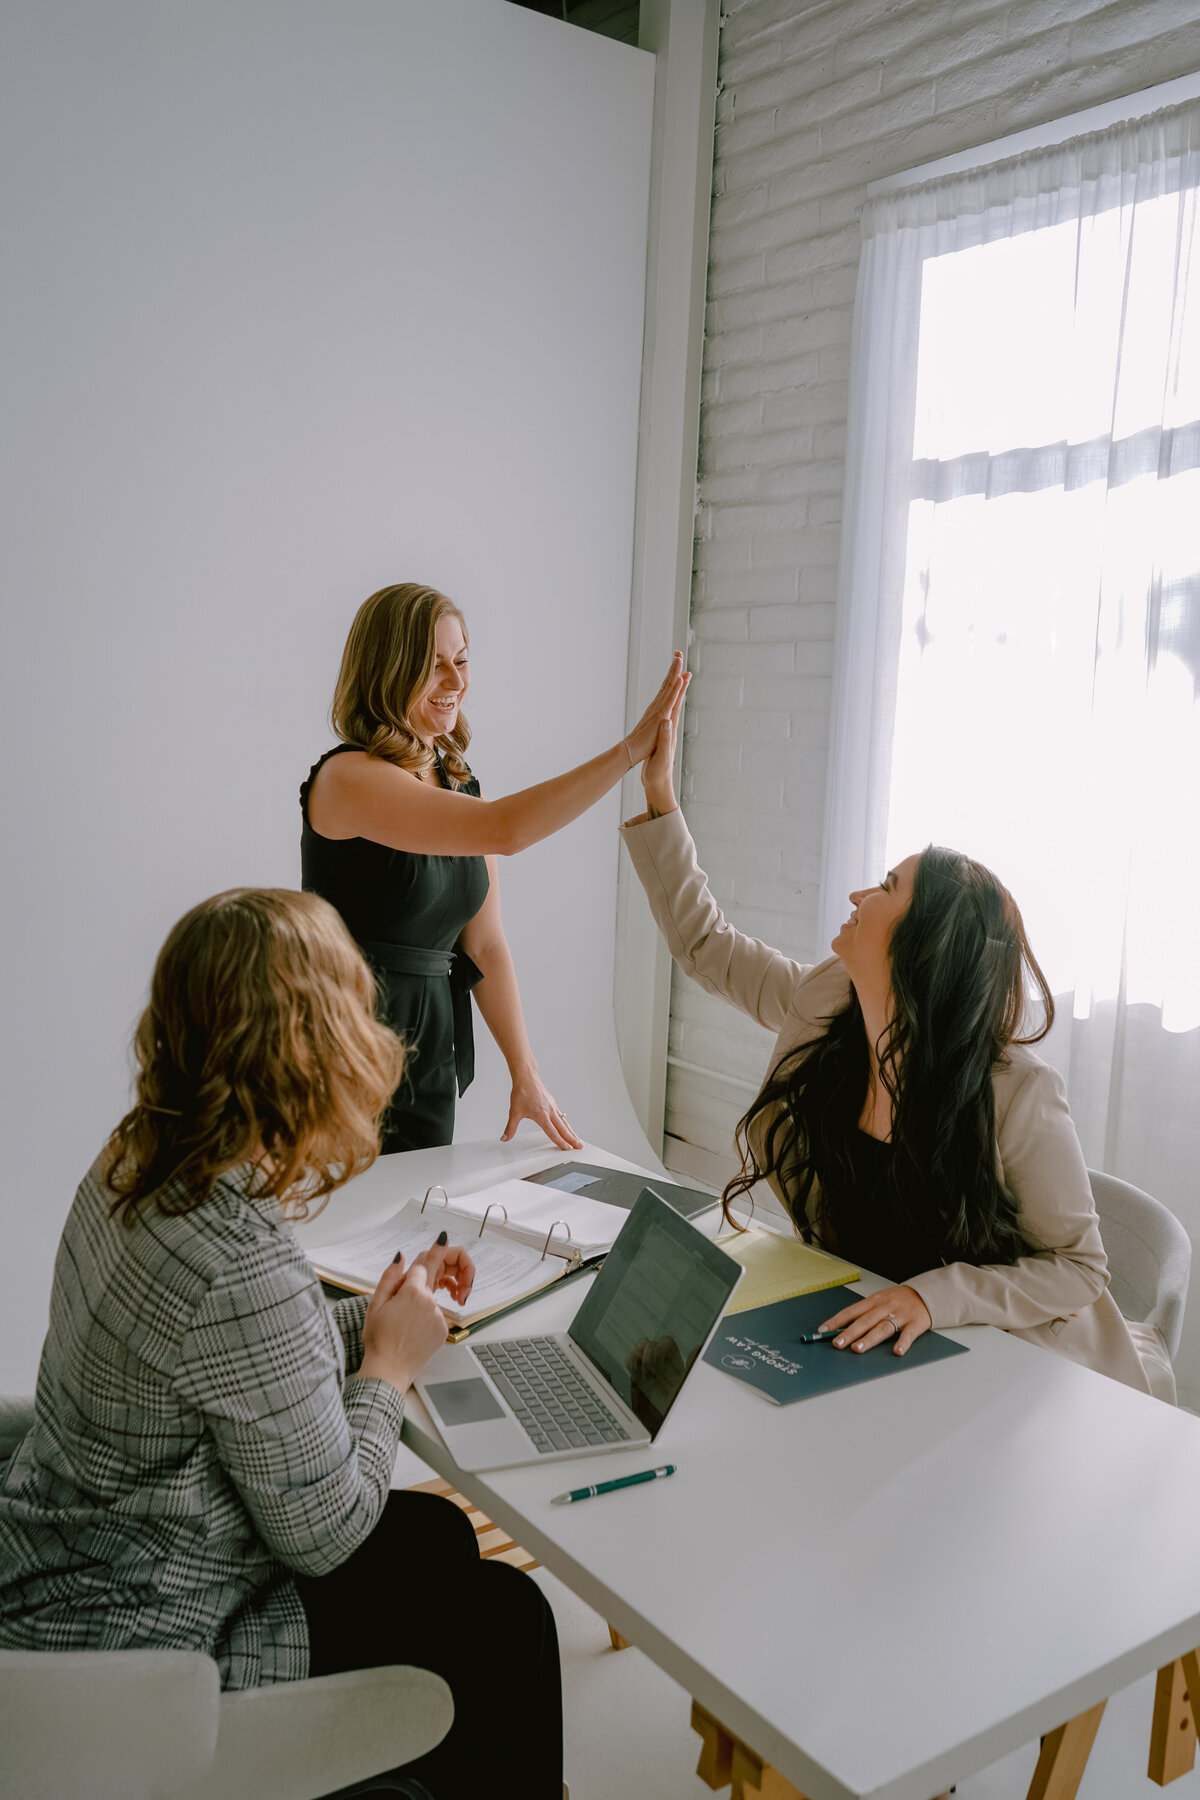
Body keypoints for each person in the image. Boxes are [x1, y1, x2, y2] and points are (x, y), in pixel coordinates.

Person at [0, 889, 564, 1799]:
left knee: (436, 1536)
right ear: (310, 1050)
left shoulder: (136, 1156)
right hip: (147, 1638)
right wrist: (388, 1367)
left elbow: (233, 1359)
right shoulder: (235, 1261)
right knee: (510, 1619)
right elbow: (329, 1535)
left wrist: (382, 1312)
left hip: (66, 1555)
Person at [619, 702, 1175, 1404]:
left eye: (886, 887)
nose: (857, 894)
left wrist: (933, 1297)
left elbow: (1079, 1269)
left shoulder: (1019, 1093)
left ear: (922, 943)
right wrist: (660, 797)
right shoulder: (825, 1003)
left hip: (1008, 1374)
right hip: (867, 1344)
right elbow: (707, 947)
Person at [302, 582, 687, 1155]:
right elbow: (507, 831)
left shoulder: (459, 783)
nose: (456, 682)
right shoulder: (348, 778)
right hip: (347, 1039)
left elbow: (484, 946)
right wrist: (628, 751)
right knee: (348, 1234)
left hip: (428, 1046)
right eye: (433, 666)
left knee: (411, 1225)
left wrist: (525, 1073)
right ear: (386, 670)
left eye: (461, 661)